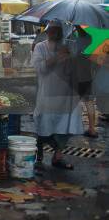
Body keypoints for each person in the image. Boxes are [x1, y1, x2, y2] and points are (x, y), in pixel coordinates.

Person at [32, 20, 83, 170]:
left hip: (66, 95)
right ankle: (39, 148)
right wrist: (56, 57)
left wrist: (78, 27)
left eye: (57, 31)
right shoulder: (40, 47)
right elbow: (39, 68)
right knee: (44, 125)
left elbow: (86, 42)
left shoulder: (68, 46)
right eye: (51, 30)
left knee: (66, 126)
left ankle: (58, 156)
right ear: (47, 32)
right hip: (47, 94)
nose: (54, 33)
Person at [70, 26, 97, 138]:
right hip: (88, 76)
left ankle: (71, 128)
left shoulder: (74, 39)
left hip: (76, 76)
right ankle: (92, 129)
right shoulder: (91, 39)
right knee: (89, 102)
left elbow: (71, 57)